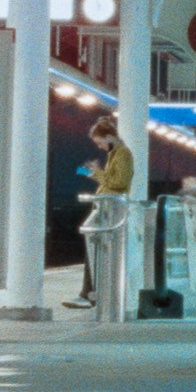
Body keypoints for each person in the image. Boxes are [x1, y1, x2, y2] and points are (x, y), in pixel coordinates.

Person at [72, 114, 134, 311]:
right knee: (95, 251)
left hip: (110, 209)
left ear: (109, 137)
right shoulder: (115, 154)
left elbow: (120, 183)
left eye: (100, 142)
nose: (99, 147)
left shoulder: (122, 154)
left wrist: (97, 173)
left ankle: (88, 295)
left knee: (96, 251)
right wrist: (97, 172)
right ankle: (88, 293)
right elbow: (113, 180)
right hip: (106, 207)